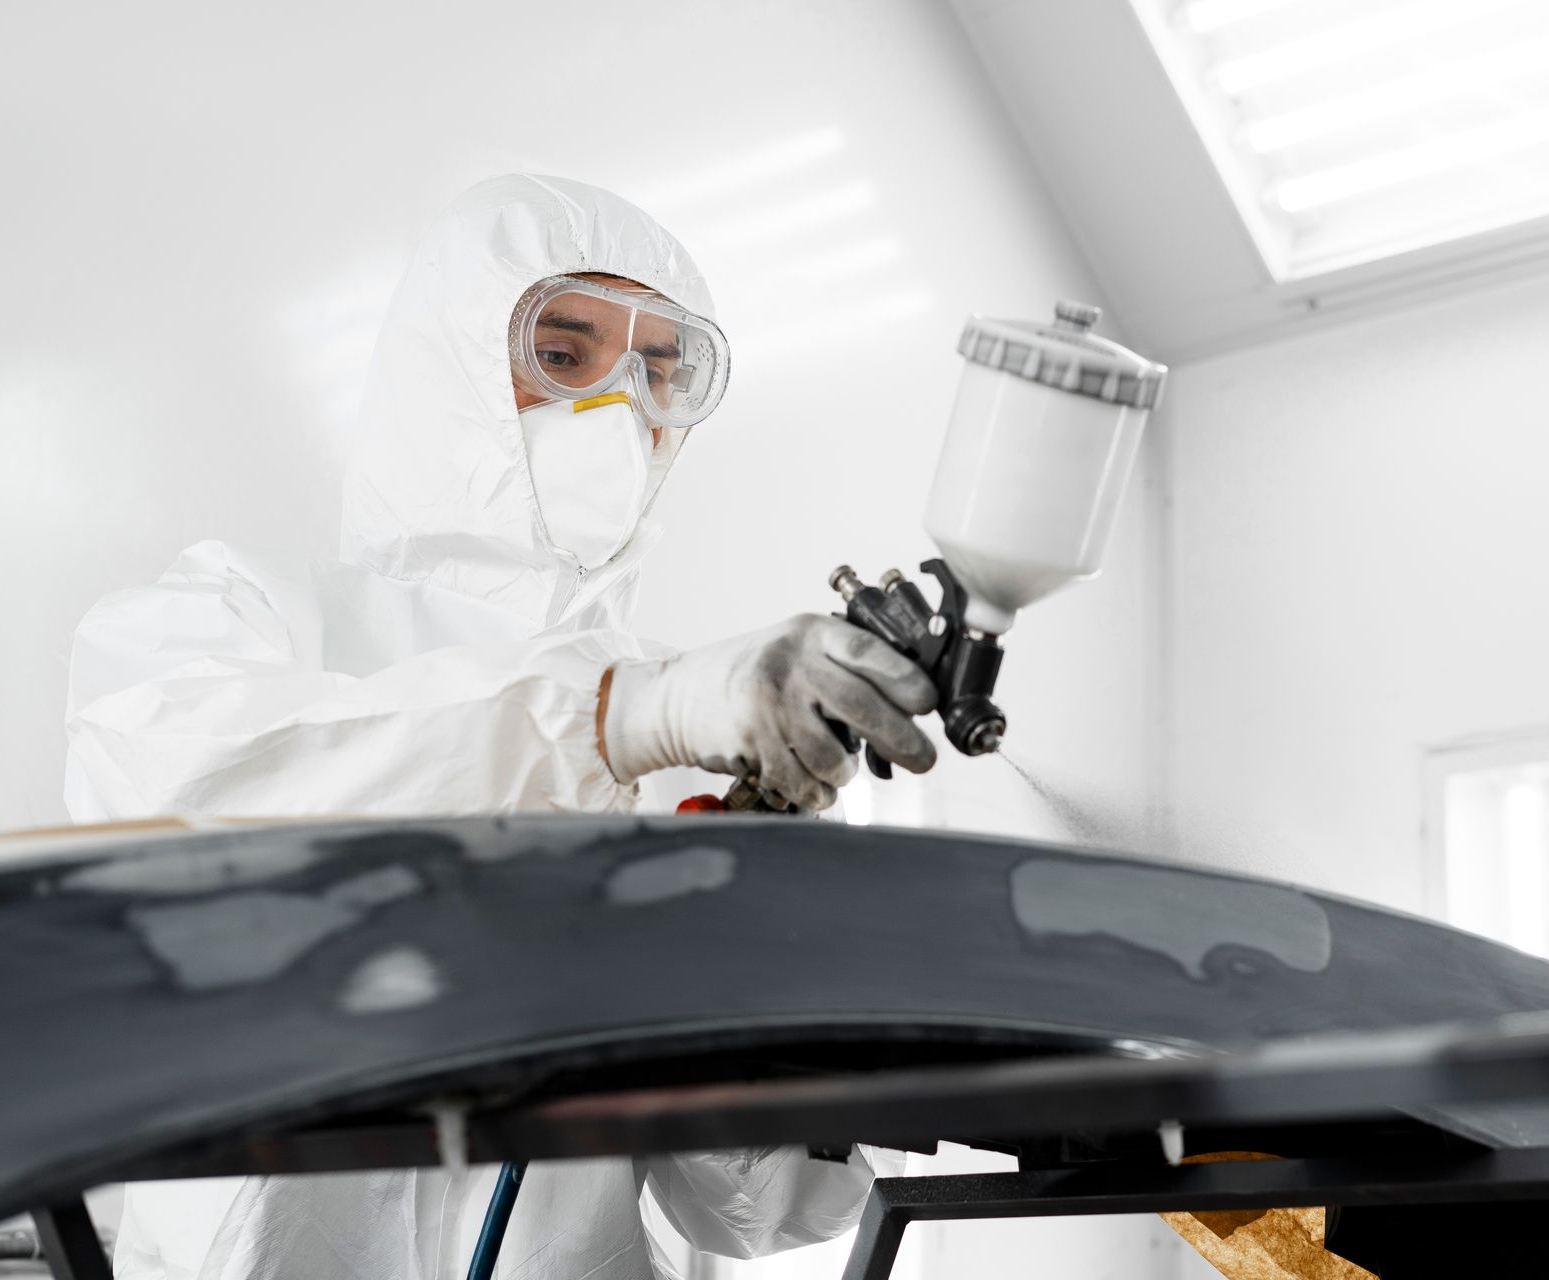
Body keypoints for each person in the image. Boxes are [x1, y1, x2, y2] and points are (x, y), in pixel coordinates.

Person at [63, 174, 930, 1279]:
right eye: (564, 357)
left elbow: (750, 1216)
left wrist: (768, 1010)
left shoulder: (693, 730)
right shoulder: (247, 614)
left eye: (660, 371)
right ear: (448, 365)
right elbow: (184, 790)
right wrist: (613, 716)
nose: (619, 409)